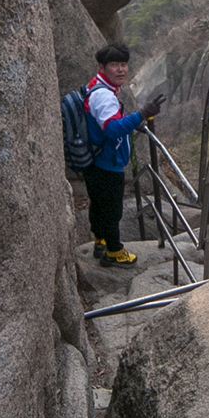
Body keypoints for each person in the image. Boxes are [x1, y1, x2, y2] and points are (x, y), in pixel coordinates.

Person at [83, 44, 164, 266]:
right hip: (107, 162)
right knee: (112, 210)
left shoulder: (96, 86)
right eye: (114, 65)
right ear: (102, 67)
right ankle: (114, 252)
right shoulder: (104, 96)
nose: (121, 70)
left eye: (124, 64)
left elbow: (110, 118)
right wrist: (142, 114)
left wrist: (132, 121)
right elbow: (112, 129)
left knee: (98, 204)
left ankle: (100, 240)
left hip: (93, 159)